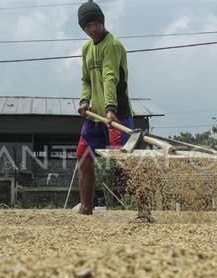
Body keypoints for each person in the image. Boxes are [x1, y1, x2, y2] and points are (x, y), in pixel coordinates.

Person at [75, 1, 134, 215]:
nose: (93, 29)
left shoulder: (113, 45)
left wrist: (111, 108)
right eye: (88, 25)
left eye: (96, 23)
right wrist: (84, 101)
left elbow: (111, 78)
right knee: (84, 159)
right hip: (94, 117)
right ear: (82, 28)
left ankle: (144, 211)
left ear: (102, 22)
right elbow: (86, 80)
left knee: (127, 164)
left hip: (116, 116)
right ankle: (86, 208)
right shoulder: (86, 49)